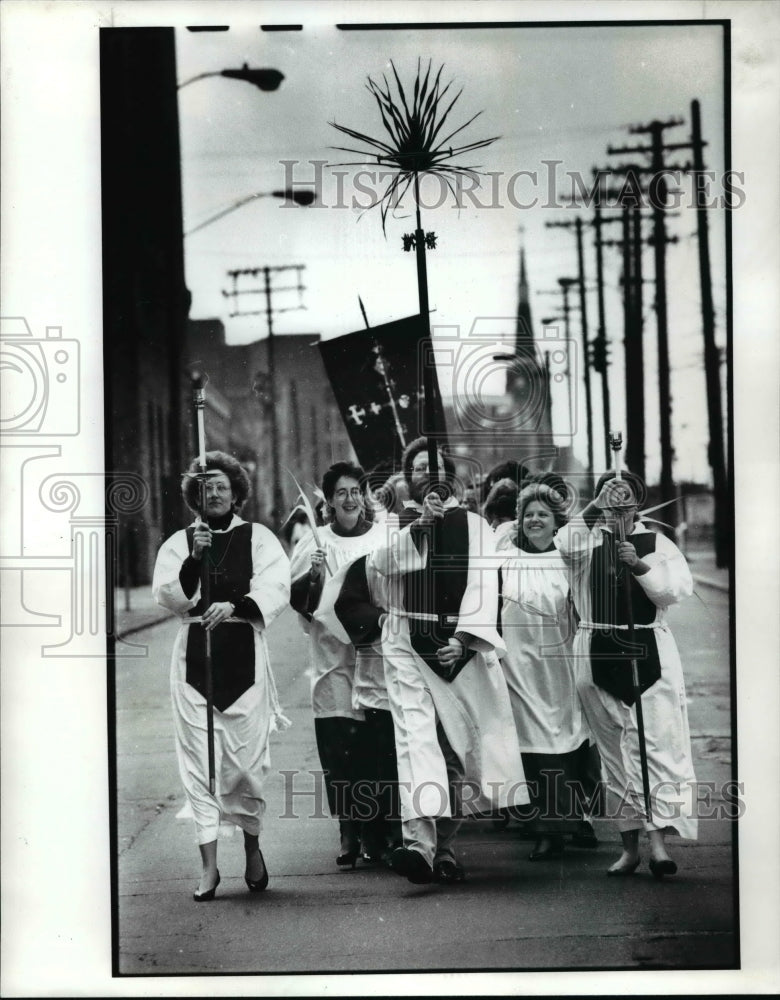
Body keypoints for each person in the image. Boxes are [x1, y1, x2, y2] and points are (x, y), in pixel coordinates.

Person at [376, 437, 528, 885]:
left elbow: (485, 586)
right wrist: (419, 527)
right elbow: (381, 568)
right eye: (418, 467)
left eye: (434, 467)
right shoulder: (395, 521)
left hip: (456, 644)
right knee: (415, 742)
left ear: (448, 475)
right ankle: (420, 846)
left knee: (459, 749)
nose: (427, 474)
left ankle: (444, 845)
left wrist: (464, 640)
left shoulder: (475, 525)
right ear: (409, 476)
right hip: (407, 642)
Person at [152, 451, 291, 901]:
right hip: (195, 660)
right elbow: (169, 595)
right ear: (195, 492)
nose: (213, 492)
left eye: (221, 486)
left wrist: (237, 605)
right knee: (199, 763)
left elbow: (277, 585)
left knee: (245, 765)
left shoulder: (260, 537)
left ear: (235, 492)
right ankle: (209, 867)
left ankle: (252, 846)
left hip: (243, 655)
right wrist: (194, 559)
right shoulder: (180, 541)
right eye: (206, 485)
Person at [555, 472, 697, 879]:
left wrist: (638, 566)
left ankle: (658, 845)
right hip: (597, 651)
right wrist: (592, 506)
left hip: (648, 652)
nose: (618, 510)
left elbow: (674, 591)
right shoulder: (586, 541)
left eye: (626, 502)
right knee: (615, 753)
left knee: (648, 747)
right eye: (610, 501)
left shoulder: (657, 544)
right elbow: (563, 546)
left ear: (638, 504)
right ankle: (629, 848)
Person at [289, 461, 387, 868]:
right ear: (328, 501)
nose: (349, 499)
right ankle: (349, 829)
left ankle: (378, 832)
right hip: (333, 658)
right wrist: (312, 578)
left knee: (378, 745)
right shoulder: (316, 544)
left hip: (375, 655)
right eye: (341, 493)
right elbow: (300, 604)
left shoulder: (382, 538)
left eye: (355, 491)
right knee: (341, 745)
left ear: (364, 496)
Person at [499, 482, 598, 860]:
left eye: (542, 514)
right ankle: (547, 830)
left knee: (573, 739)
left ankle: (581, 817)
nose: (534, 520)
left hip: (563, 666)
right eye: (528, 514)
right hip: (520, 668)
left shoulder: (569, 559)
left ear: (557, 521)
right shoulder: (504, 559)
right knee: (535, 746)